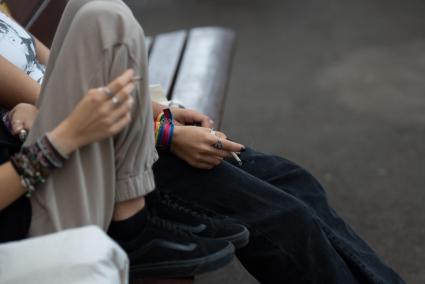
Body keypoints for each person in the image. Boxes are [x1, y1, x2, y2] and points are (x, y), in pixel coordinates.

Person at [0, 0, 405, 283]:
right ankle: (137, 222)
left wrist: (158, 112)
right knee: (280, 217)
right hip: (85, 152)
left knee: (292, 181)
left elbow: (51, 71)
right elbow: (56, 102)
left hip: (101, 128)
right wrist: (166, 133)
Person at [0, 0, 249, 279]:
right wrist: (63, 139)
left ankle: (137, 205)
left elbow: (40, 69)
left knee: (98, 8)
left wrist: (17, 111)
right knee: (105, 19)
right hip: (34, 223)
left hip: (51, 161)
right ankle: (133, 222)